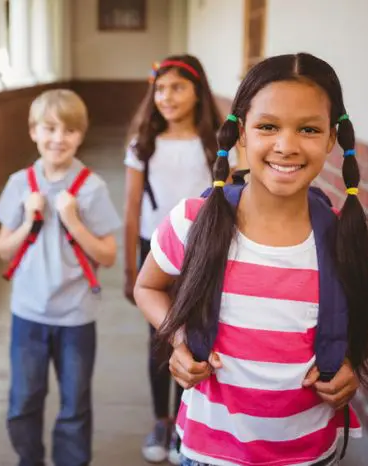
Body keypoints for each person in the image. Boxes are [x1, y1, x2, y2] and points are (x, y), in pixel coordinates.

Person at [134, 52, 368, 466]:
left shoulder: (351, 238)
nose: (286, 145)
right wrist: (179, 339)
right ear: (240, 135)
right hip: (207, 453)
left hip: (309, 454)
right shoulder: (190, 221)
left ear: (331, 139)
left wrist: (350, 362)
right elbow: (147, 287)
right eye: (268, 126)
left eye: (308, 129)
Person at [0, 89, 122, 466]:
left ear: (81, 135)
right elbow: (4, 250)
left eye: (69, 130)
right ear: (33, 131)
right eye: (49, 128)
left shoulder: (92, 188)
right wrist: (30, 219)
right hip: (29, 312)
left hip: (76, 315)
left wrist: (73, 220)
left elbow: (108, 255)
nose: (58, 138)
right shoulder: (20, 184)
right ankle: (28, 459)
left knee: (75, 404)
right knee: (23, 401)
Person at [124, 54, 238, 464]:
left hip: (199, 254)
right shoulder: (143, 143)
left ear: (198, 92)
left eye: (177, 87)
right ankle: (161, 419)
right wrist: (128, 267)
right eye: (160, 88)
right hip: (154, 254)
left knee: (195, 335)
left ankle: (187, 420)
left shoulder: (215, 145)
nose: (166, 97)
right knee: (159, 336)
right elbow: (133, 206)